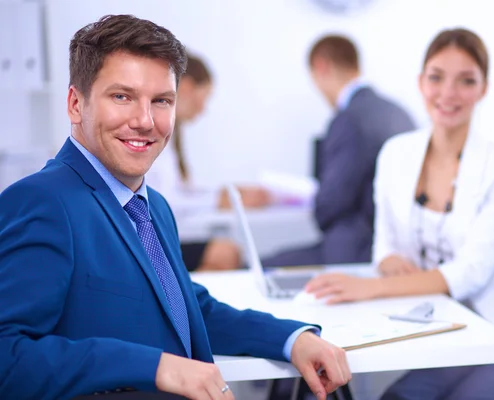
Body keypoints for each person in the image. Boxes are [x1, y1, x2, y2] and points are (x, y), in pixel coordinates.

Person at [0, 14, 350, 400]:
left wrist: (291, 339)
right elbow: (7, 356)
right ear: (75, 103)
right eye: (122, 96)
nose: (145, 121)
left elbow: (185, 307)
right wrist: (156, 366)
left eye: (161, 101)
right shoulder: (42, 202)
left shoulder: (153, 206)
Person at [305, 28, 494, 399]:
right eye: (437, 77)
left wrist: (371, 288)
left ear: (483, 88)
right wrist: (392, 263)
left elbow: (469, 274)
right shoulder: (396, 154)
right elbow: (386, 247)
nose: (448, 93)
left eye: (466, 80)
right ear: (420, 82)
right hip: (451, 334)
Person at [263, 34, 415, 267]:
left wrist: (317, 200)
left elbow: (330, 204)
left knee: (262, 267)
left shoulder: (349, 120)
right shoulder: (399, 113)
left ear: (321, 66)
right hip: (396, 251)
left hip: (353, 254)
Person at [146, 52, 270, 272]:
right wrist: (220, 199)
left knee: (229, 250)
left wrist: (225, 194)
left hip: (161, 232)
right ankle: (182, 305)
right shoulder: (153, 133)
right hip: (147, 241)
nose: (203, 109)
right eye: (204, 98)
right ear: (187, 88)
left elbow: (178, 191)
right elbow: (169, 202)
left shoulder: (170, 135)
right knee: (226, 253)